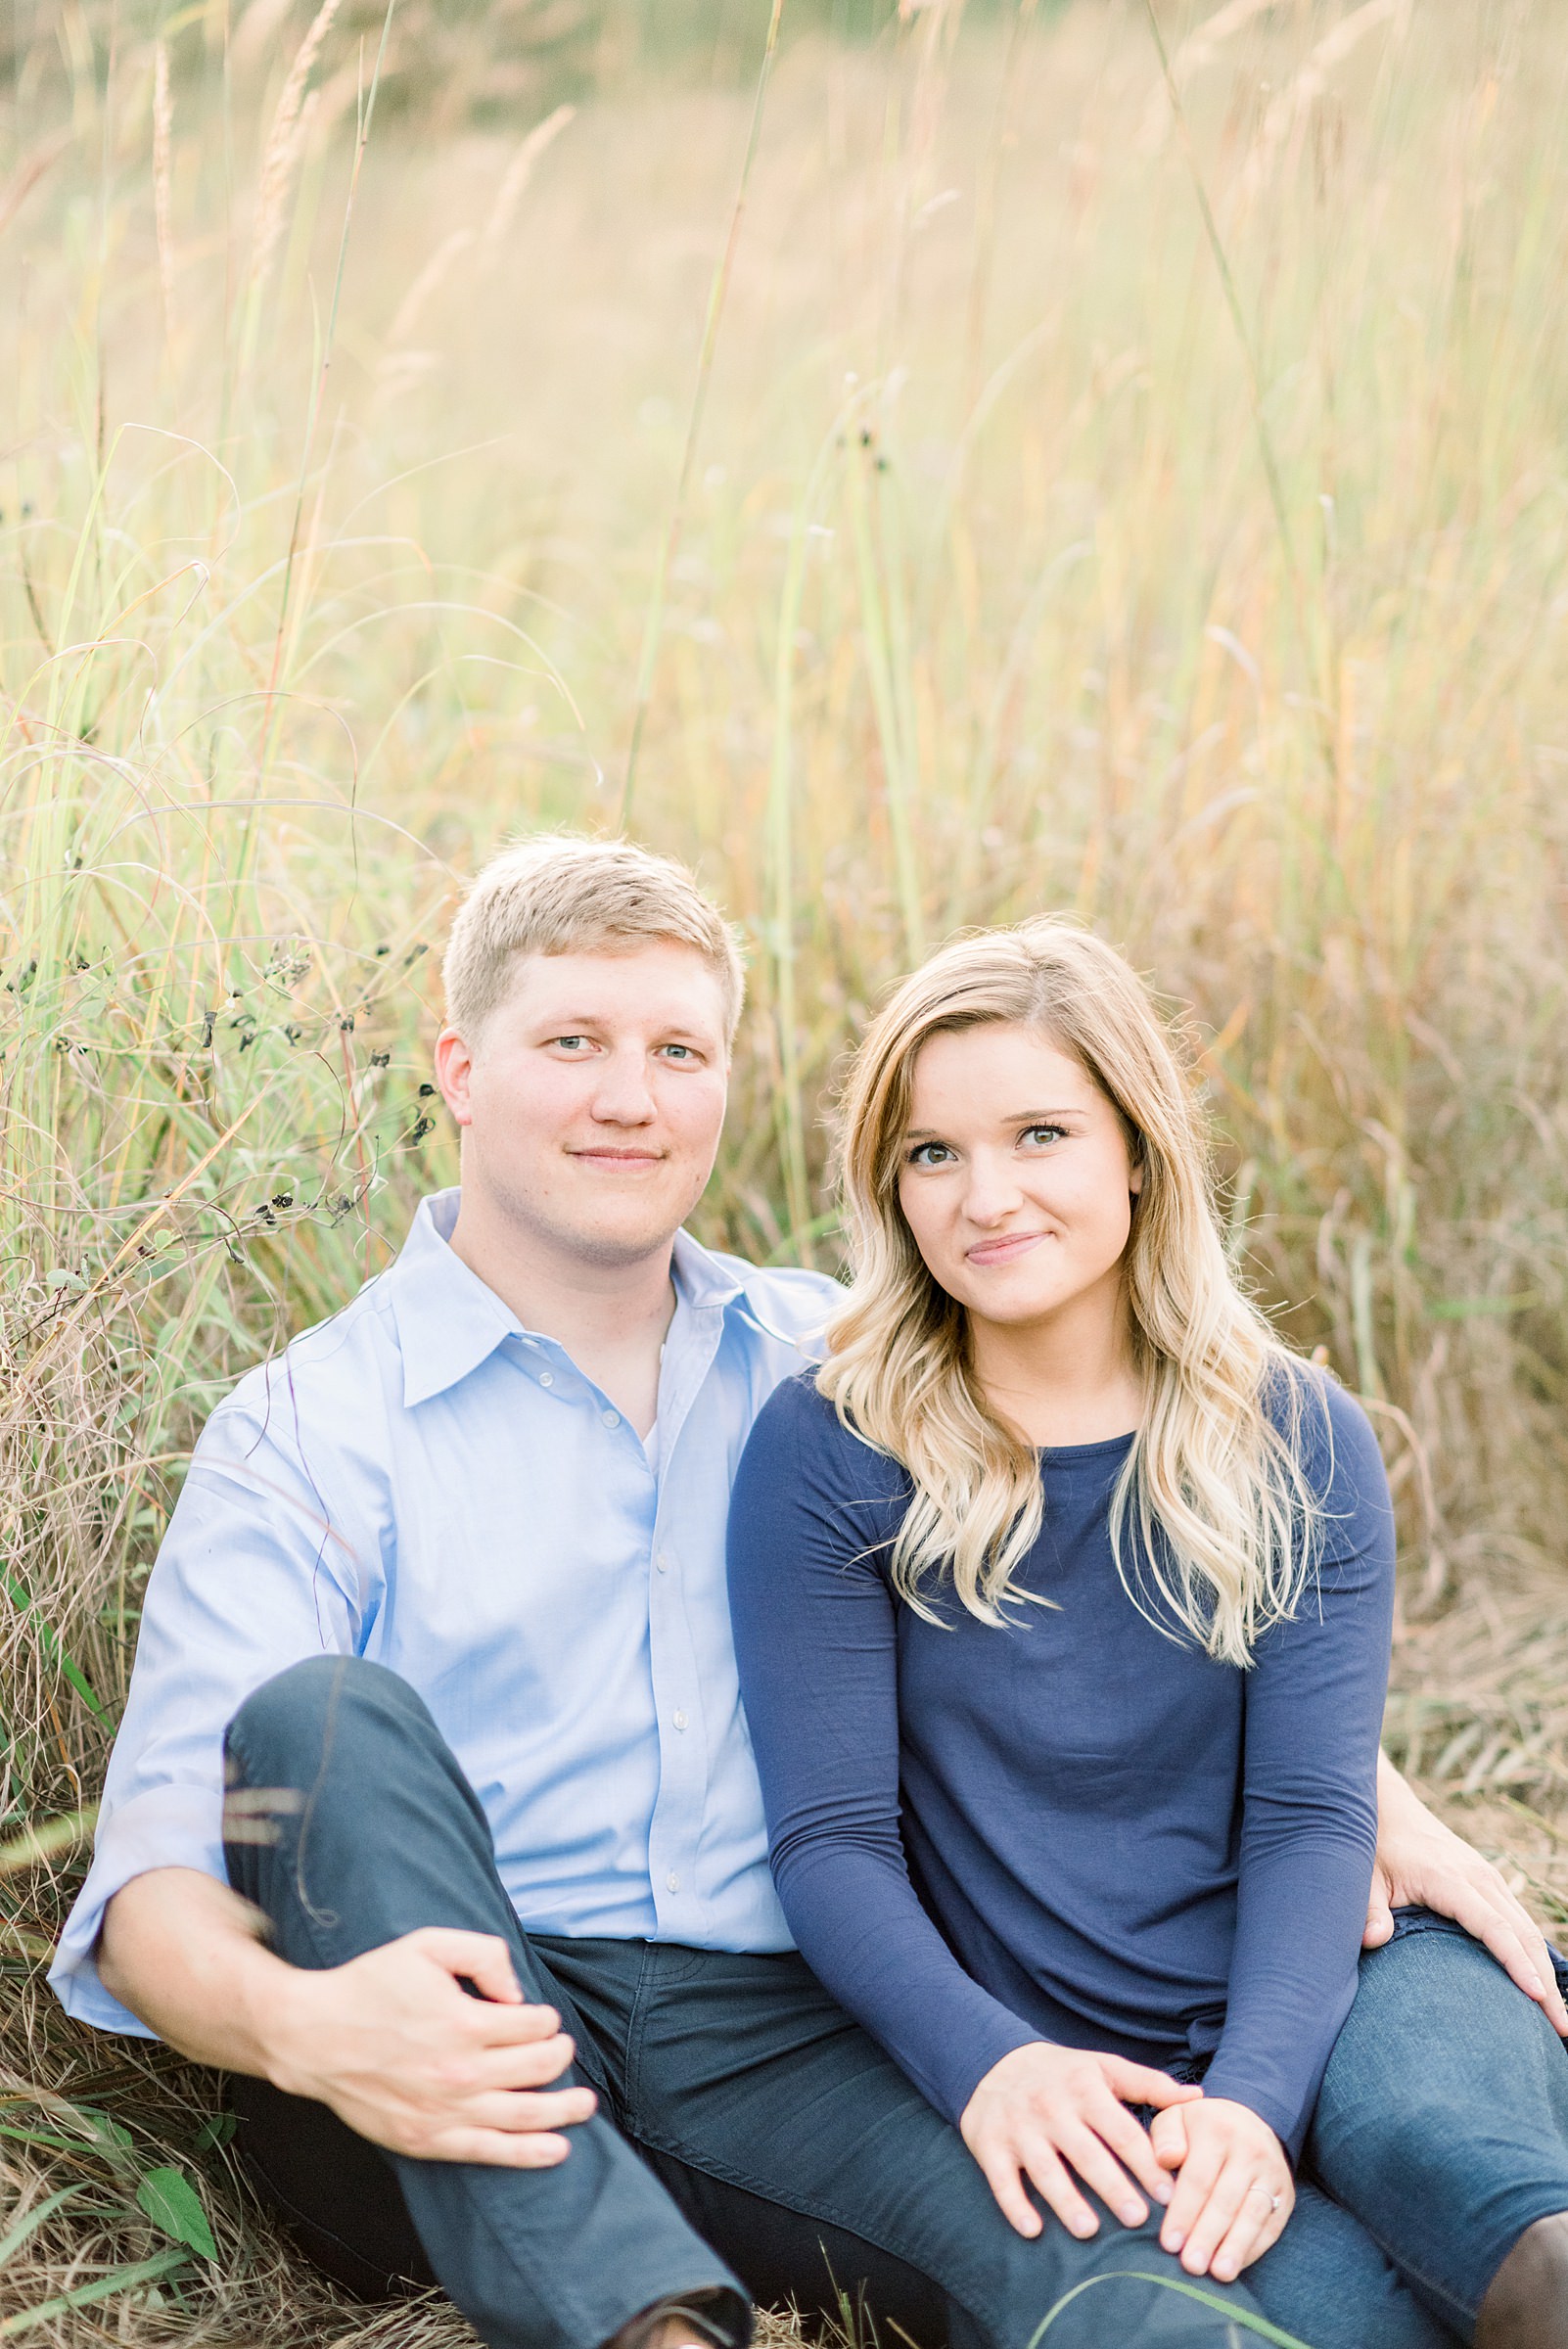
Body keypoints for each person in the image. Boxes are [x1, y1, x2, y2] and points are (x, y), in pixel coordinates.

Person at [47, 845, 1561, 2349]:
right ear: (458, 1064)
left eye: (676, 1050)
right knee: (326, 1719)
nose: (627, 1096)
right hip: (455, 2019)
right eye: (571, 1042)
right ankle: (636, 2325)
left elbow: (1147, 1566)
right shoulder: (309, 1430)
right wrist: (315, 2029)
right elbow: (152, 1901)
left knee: (1120, 2274)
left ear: (723, 1080)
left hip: (776, 2039)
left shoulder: (850, 1371)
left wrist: (1362, 1790)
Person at [727, 917, 1568, 2349]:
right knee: (1348, 2327)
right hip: (1081, 2066)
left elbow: (1311, 1812)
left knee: (1481, 2210)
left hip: (1346, 1980)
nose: (984, 1195)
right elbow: (833, 1846)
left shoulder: (1297, 1433)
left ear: (1134, 1147)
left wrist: (1256, 2098)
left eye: (1038, 1133)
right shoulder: (831, 1450)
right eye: (931, 1152)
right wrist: (997, 2069)